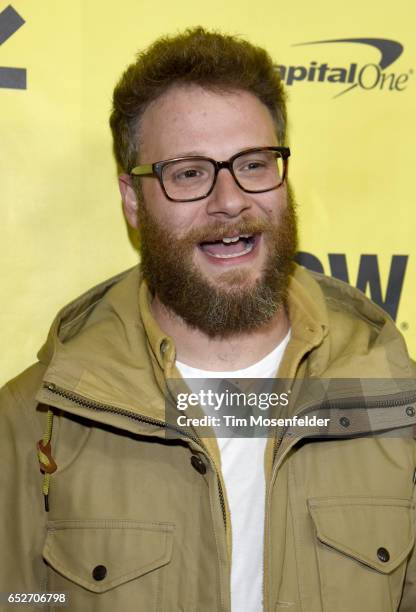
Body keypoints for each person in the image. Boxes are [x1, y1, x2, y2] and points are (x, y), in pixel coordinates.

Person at [1, 27, 415, 612]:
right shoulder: (35, 418)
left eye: (252, 162)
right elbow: (14, 599)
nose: (229, 201)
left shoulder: (394, 400)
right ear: (131, 200)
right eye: (190, 172)